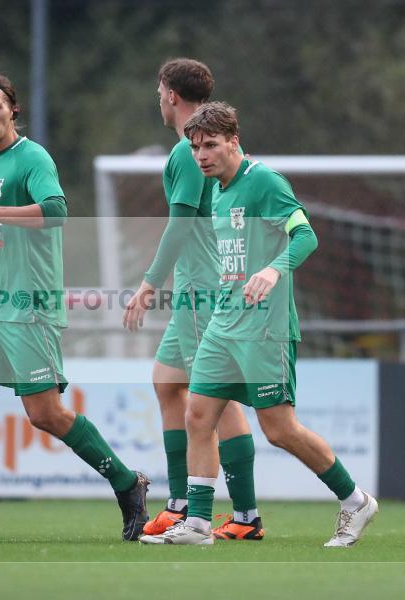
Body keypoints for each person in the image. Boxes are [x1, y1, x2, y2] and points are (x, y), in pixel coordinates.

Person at [140, 102, 378, 546]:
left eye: (210, 145)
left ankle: (355, 501)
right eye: (195, 148)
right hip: (224, 323)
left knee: (279, 429)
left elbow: (305, 234)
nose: (201, 155)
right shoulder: (218, 191)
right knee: (197, 413)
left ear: (234, 140)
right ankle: (196, 524)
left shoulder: (263, 181)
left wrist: (273, 269)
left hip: (265, 329)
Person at [0, 73, 150, 543]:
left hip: (29, 307)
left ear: (12, 110)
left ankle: (127, 483)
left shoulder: (32, 157)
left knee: (45, 414)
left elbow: (57, 211)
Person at [123, 59, 263, 540]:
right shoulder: (199, 145)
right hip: (194, 291)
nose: (157, 98)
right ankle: (182, 502)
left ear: (170, 95)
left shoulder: (188, 150)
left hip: (204, 292)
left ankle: (243, 515)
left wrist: (148, 283)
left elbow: (180, 227)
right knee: (166, 381)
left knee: (218, 402)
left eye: (158, 90)